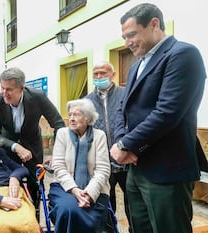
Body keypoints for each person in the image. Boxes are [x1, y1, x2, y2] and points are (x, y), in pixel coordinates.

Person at [110, 3, 206, 233]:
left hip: (167, 169)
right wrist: (123, 141)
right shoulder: (136, 66)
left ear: (154, 24)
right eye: (124, 37)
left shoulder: (183, 54)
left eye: (132, 34)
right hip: (137, 167)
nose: (127, 43)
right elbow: (121, 109)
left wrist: (126, 144)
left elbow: (168, 112)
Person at [0, 67, 65, 203]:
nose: (4, 93)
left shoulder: (38, 97)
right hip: (8, 147)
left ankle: (34, 218)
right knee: (9, 185)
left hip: (33, 147)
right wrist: (15, 146)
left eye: (9, 90)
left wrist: (56, 153)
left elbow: (58, 123)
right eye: (2, 88)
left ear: (21, 88)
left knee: (34, 186)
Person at [48, 98, 111, 233]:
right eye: (70, 115)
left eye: (76, 115)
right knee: (68, 210)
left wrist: (88, 194)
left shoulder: (99, 136)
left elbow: (103, 170)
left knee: (88, 213)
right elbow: (58, 166)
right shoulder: (62, 134)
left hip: (95, 191)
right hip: (64, 188)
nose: (71, 119)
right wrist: (75, 190)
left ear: (88, 118)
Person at [84, 61, 130, 230]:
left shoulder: (126, 94)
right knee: (105, 205)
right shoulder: (86, 101)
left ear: (113, 74)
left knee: (133, 203)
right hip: (102, 164)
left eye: (103, 73)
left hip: (126, 159)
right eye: (95, 74)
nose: (99, 77)